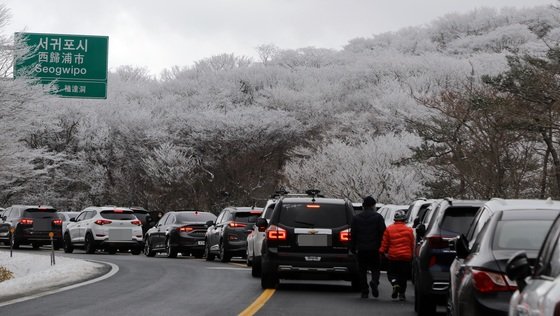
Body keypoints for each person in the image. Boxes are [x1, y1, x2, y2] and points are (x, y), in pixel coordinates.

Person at [350, 196, 386, 298]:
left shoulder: (356, 218)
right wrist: (383, 247)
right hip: (375, 248)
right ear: (373, 205)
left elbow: (353, 234)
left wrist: (353, 247)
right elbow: (383, 232)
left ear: (363, 206)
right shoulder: (378, 217)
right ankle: (374, 281)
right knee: (375, 268)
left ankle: (364, 291)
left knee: (362, 270)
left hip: (361, 249)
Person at [379, 209, 414, 301]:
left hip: (393, 256)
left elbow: (385, 243)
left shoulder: (389, 229)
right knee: (403, 276)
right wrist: (412, 254)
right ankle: (402, 294)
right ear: (404, 219)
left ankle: (394, 283)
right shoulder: (409, 230)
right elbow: (412, 244)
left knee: (392, 274)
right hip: (406, 258)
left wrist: (381, 251)